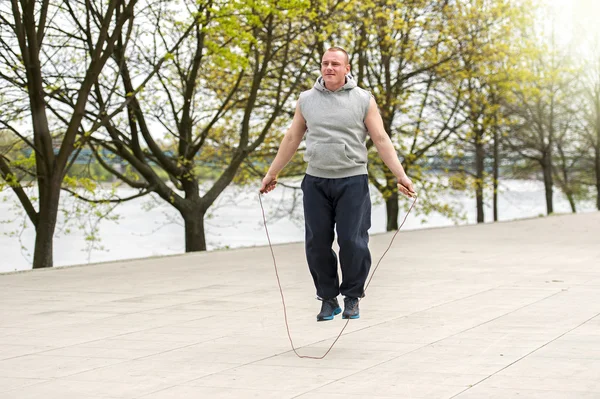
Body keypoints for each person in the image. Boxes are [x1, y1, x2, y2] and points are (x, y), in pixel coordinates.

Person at [260, 47, 415, 322]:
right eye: (324, 63)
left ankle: (352, 296)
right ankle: (328, 299)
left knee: (352, 241)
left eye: (335, 64)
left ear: (347, 68)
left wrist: (400, 175)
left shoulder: (363, 100)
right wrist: (272, 173)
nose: (328, 67)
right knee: (317, 243)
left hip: (352, 180)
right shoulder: (306, 100)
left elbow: (380, 139)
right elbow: (292, 138)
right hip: (316, 181)